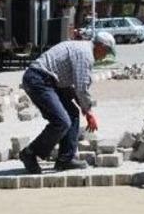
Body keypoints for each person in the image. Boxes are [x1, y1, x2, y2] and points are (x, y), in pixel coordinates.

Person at [18, 32, 116, 174]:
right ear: (100, 46)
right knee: (61, 121)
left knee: (72, 113)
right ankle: (29, 153)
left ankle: (65, 159)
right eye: (107, 51)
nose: (105, 55)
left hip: (50, 81)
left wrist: (82, 106)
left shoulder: (82, 48)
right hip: (39, 80)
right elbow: (81, 87)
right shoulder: (86, 55)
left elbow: (74, 87)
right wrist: (89, 112)